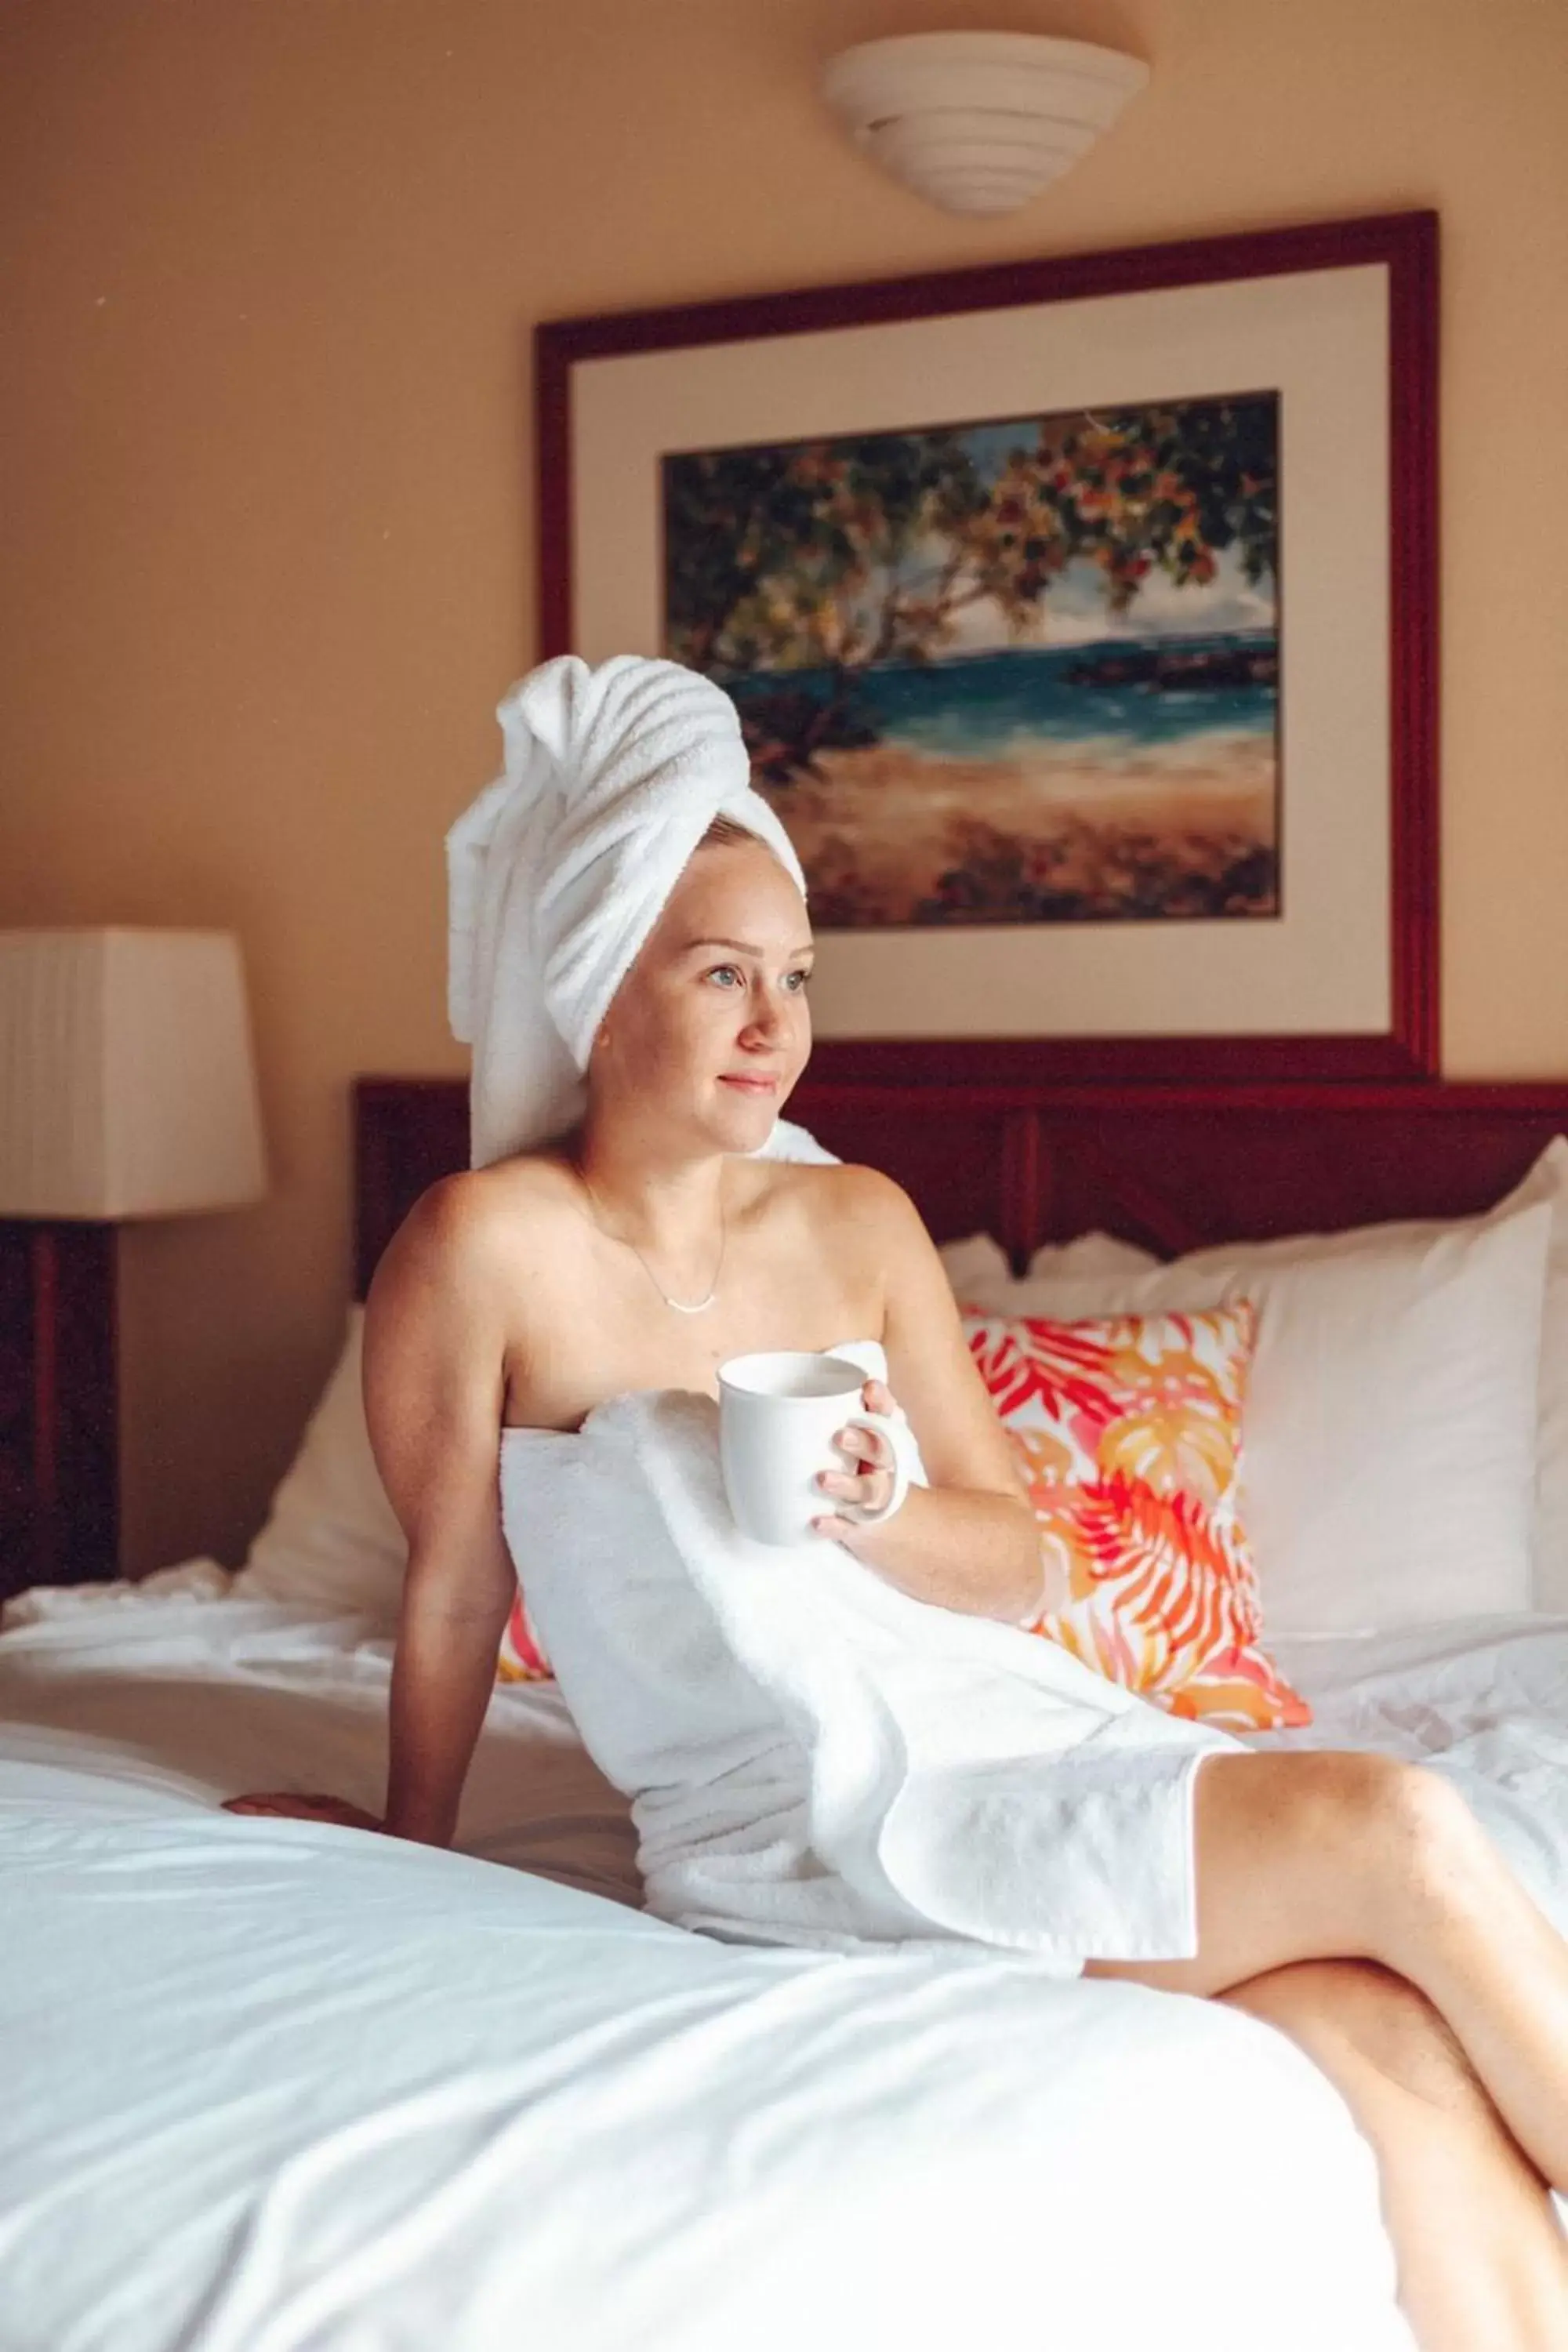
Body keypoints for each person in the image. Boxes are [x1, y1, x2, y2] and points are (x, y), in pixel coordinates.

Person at [228, 656, 1568, 2351]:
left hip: (1009, 1726)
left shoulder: (856, 1222)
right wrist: (404, 1845)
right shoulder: (482, 1249)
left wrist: (868, 1506)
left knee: (1378, 2023)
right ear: (597, 986)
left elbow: (1016, 1564)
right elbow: (447, 1587)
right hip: (798, 1821)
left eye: (793, 978)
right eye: (722, 975)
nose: (775, 1026)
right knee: (1392, 1826)